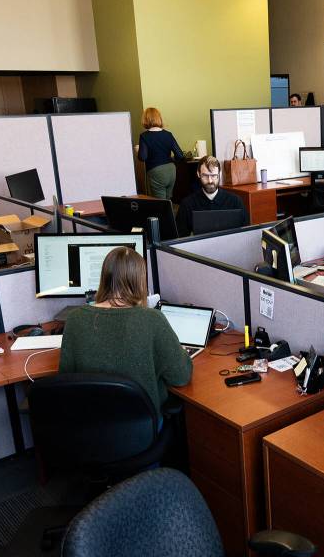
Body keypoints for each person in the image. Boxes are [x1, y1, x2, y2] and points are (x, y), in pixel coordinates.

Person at [59, 246, 191, 412]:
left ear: (104, 277)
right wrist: (181, 352)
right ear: (139, 280)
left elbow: (65, 380)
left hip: (89, 425)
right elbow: (181, 377)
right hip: (141, 427)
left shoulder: (74, 318)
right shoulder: (152, 319)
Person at [175, 156, 249, 236]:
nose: (210, 181)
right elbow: (180, 238)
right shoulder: (187, 204)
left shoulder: (235, 201)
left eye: (213, 176)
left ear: (219, 174)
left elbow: (246, 233)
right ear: (198, 174)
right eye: (205, 176)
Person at [136, 107, 186, 201]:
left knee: (160, 203)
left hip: (157, 172)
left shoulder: (144, 136)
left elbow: (143, 157)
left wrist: (138, 150)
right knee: (168, 200)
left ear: (145, 119)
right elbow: (180, 155)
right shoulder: (168, 134)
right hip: (171, 170)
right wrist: (169, 158)